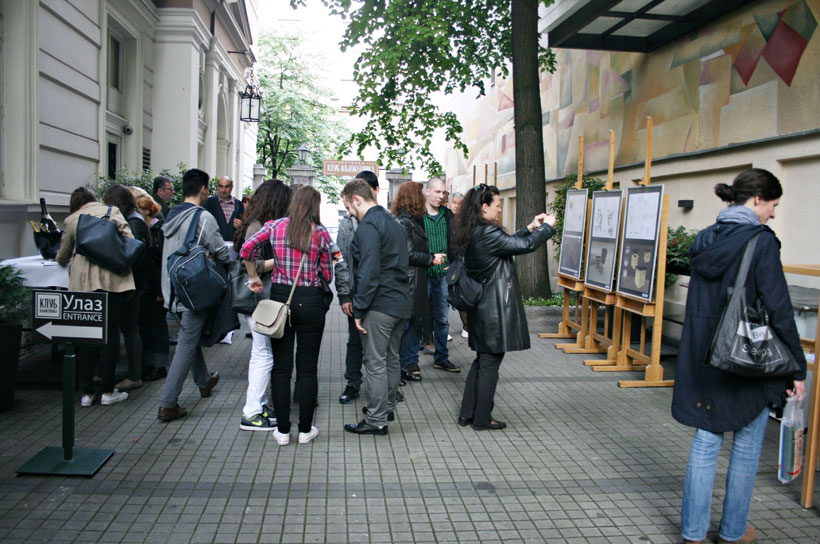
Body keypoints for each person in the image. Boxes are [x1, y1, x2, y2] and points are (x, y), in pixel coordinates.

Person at [672, 169, 806, 544]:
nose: (774, 215)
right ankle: (732, 533)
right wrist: (797, 364)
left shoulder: (704, 239)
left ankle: (693, 533)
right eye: (774, 205)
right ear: (758, 199)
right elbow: (779, 307)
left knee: (706, 440)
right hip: (747, 360)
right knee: (746, 447)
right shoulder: (760, 242)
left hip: (704, 357)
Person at [453, 184, 555, 430]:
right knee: (489, 364)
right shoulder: (487, 232)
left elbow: (508, 243)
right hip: (493, 311)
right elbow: (524, 246)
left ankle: (469, 413)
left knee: (482, 361)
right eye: (497, 205)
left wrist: (530, 228)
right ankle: (482, 418)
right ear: (484, 207)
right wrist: (547, 228)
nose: (500, 209)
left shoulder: (475, 230)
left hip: (483, 308)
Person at [242, 185, 333, 445]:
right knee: (307, 368)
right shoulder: (322, 233)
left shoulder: (274, 226)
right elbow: (328, 274)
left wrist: (253, 278)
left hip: (281, 299)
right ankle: (305, 430)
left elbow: (246, 250)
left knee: (281, 368)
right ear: (315, 206)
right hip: (311, 300)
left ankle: (282, 431)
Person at [341, 179, 411, 435]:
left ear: (357, 199)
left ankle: (376, 419)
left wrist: (359, 309)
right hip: (400, 301)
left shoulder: (368, 226)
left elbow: (368, 273)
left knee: (375, 363)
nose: (349, 213)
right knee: (391, 359)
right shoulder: (393, 222)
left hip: (380, 305)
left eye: (348, 206)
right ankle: (386, 407)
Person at [157, 169, 227, 422]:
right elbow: (221, 250)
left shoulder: (171, 214)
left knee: (189, 336)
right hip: (192, 288)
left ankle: (204, 381)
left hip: (171, 286)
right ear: (204, 189)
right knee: (186, 342)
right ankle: (168, 403)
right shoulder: (203, 217)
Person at [56, 187, 135, 407]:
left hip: (83, 285)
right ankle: (108, 392)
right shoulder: (112, 212)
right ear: (94, 199)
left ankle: (87, 393)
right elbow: (129, 240)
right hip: (111, 281)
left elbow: (62, 255)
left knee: (86, 338)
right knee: (110, 337)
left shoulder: (73, 219)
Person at [233, 179, 292, 431]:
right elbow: (250, 261)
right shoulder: (256, 225)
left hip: (259, 299)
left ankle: (259, 405)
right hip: (256, 298)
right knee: (262, 355)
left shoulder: (255, 222)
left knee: (262, 353)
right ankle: (252, 412)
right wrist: (279, 260)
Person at [391, 182, 445, 383]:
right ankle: (400, 367)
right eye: (421, 195)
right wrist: (431, 258)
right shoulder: (404, 223)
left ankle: (408, 364)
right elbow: (408, 254)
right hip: (410, 283)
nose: (425, 198)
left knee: (413, 325)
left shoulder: (413, 220)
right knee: (406, 327)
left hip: (416, 281)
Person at [335, 170, 380, 404]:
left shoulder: (385, 220)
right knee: (355, 341)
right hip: (354, 293)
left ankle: (384, 388)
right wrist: (344, 294)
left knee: (382, 345)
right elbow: (340, 259)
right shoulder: (347, 224)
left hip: (380, 295)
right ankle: (353, 383)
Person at [103, 184, 148, 392]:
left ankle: (133, 374)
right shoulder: (135, 219)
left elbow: (134, 252)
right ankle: (132, 372)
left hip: (134, 283)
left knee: (130, 329)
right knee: (130, 329)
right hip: (134, 282)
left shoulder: (133, 222)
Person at [127, 187, 170, 383]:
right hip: (148, 285)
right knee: (147, 325)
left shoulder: (157, 229)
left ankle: (159, 365)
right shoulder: (146, 227)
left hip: (155, 286)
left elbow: (160, 261)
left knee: (156, 326)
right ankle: (149, 364)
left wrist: (160, 288)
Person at [421, 177, 459, 372]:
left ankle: (441, 357)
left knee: (442, 320)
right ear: (427, 192)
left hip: (443, 275)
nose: (441, 196)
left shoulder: (447, 215)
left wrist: (452, 265)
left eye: (443, 192)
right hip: (423, 274)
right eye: (437, 192)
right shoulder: (418, 217)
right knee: (417, 318)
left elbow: (457, 242)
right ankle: (410, 362)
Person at [449, 191, 469, 338]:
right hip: (446, 261)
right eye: (454, 202)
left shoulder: (466, 220)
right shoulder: (444, 218)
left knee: (462, 295)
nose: (457, 206)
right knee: (444, 297)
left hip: (461, 262)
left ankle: (467, 327)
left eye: (460, 204)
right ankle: (442, 328)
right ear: (449, 203)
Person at [205, 176, 245, 242]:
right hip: (213, 247)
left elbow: (245, 224)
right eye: (221, 186)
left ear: (232, 187)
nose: (223, 190)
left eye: (227, 187)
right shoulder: (209, 203)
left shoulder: (239, 205)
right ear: (217, 187)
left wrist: (242, 224)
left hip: (233, 247)